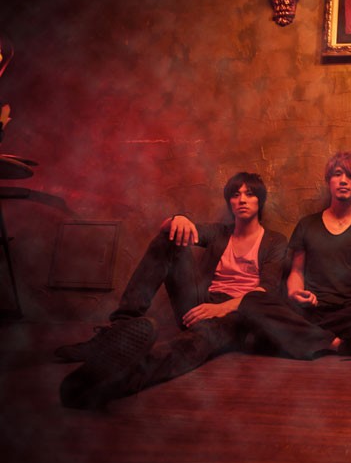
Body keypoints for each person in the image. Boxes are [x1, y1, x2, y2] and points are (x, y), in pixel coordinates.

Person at [57, 172, 288, 408]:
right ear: (229, 201)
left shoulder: (275, 241)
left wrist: (220, 309)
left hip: (236, 314)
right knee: (170, 237)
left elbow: (266, 291)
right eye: (235, 195)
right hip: (200, 304)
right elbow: (170, 229)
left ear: (260, 200)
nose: (242, 200)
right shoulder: (219, 232)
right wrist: (178, 219)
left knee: (194, 343)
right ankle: (120, 326)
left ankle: (106, 384)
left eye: (249, 194)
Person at [236, 151, 351, 360]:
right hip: (310, 310)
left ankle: (299, 338)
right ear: (328, 182)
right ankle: (340, 345)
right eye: (337, 174)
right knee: (252, 300)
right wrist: (295, 292)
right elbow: (296, 272)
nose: (343, 181)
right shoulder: (307, 224)